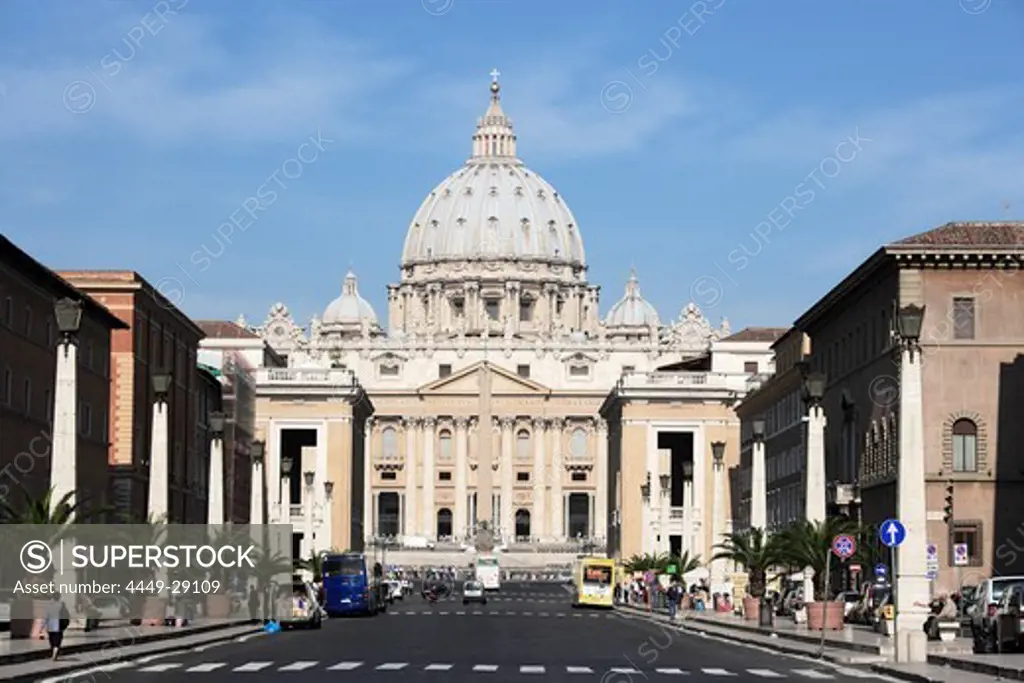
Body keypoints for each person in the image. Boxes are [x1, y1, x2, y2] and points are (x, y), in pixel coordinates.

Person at [45, 594, 70, 661]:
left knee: (52, 640)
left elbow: (46, 616)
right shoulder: (62, 605)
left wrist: (45, 625)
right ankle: (55, 653)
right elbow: (67, 617)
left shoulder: (49, 606)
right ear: (59, 597)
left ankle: (53, 651)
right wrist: (65, 625)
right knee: (57, 641)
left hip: (51, 626)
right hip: (59, 626)